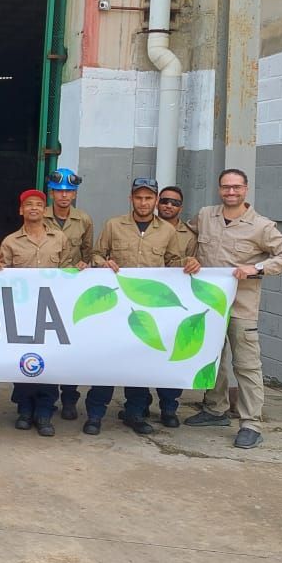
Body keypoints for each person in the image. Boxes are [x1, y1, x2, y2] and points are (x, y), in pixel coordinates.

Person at [184, 169, 282, 449]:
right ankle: (215, 409)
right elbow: (185, 238)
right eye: (226, 187)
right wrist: (189, 258)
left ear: (246, 189)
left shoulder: (261, 226)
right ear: (219, 189)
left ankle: (251, 423)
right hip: (208, 304)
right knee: (214, 359)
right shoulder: (205, 216)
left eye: (236, 187)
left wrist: (256, 268)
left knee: (246, 365)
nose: (231, 192)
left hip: (241, 307)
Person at [88, 178, 199, 435]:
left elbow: (172, 261)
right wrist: (102, 263)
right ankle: (95, 415)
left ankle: (135, 413)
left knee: (140, 363)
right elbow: (95, 254)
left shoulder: (167, 231)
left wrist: (189, 263)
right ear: (131, 199)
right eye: (139, 197)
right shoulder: (114, 225)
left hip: (149, 307)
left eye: (149, 198)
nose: (143, 202)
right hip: (115, 305)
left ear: (156, 200)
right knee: (108, 361)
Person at [0, 189, 72, 436]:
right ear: (21, 210)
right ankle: (24, 409)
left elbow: (67, 271)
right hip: (22, 311)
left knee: (48, 360)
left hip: (52, 312)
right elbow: (2, 276)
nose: (33, 208)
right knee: (23, 360)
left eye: (38, 205)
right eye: (28, 204)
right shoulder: (10, 241)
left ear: (44, 210)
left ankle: (45, 411)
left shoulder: (59, 239)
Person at [44, 167, 93, 420]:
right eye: (59, 191)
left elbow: (89, 253)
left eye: (69, 192)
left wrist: (87, 265)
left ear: (74, 195)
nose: (64, 196)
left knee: (71, 347)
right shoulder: (39, 217)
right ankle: (48, 398)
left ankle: (70, 398)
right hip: (47, 291)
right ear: (52, 193)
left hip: (72, 292)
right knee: (50, 348)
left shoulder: (83, 220)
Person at [157, 186, 197, 257]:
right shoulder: (146, 228)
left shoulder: (190, 237)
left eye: (175, 203)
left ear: (181, 208)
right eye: (164, 201)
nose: (169, 206)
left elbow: (190, 264)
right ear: (157, 204)